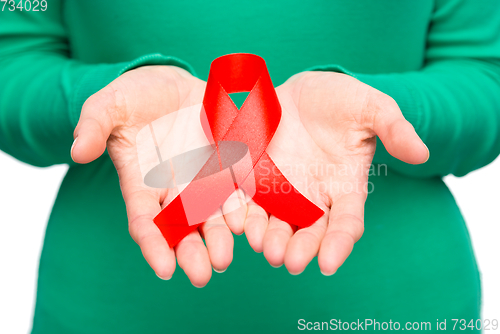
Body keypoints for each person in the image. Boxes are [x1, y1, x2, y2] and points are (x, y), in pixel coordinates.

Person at [1, 1, 499, 333]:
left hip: (400, 309)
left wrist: (386, 111)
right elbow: (13, 59)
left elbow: (485, 74)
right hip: (104, 308)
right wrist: (104, 102)